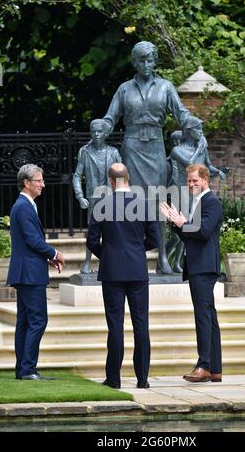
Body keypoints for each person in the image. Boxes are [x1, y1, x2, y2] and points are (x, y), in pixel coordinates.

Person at [102, 41, 207, 274]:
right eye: (142, 60)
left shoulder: (166, 87)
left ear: (155, 61)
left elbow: (181, 114)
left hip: (156, 148)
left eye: (150, 60)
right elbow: (111, 118)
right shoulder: (124, 89)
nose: (146, 64)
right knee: (131, 202)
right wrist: (100, 130)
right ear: (134, 62)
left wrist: (195, 124)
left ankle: (162, 258)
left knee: (159, 202)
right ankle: (133, 254)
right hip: (132, 146)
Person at [86, 163, 159, 389]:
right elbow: (155, 240)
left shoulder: (101, 205)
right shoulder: (144, 205)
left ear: (110, 180)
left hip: (112, 271)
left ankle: (114, 379)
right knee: (141, 324)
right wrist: (137, 250)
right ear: (129, 177)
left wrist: (108, 255)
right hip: (137, 270)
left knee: (115, 325)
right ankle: (142, 378)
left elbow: (91, 242)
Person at [160, 164, 223, 382]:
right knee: (209, 317)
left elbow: (204, 232)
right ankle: (215, 369)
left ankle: (204, 366)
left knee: (203, 317)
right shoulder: (199, 202)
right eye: (189, 181)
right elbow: (191, 236)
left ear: (205, 180)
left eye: (195, 181)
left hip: (204, 267)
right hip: (199, 265)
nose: (191, 184)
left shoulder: (211, 202)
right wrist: (177, 224)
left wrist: (182, 222)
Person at [7, 164, 65, 381]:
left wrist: (47, 258)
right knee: (38, 320)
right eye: (39, 180)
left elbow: (28, 242)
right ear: (26, 182)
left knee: (25, 321)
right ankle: (28, 369)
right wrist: (55, 253)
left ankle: (23, 368)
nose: (43, 184)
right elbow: (32, 240)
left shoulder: (24, 205)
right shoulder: (23, 206)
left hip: (27, 271)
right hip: (29, 274)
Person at [167, 119, 226, 272]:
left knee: (191, 226)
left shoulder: (202, 149)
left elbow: (207, 166)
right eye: (198, 129)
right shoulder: (177, 150)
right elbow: (189, 164)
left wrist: (217, 171)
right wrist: (199, 148)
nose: (201, 132)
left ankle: (177, 262)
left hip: (197, 194)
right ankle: (169, 259)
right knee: (181, 226)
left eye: (201, 129)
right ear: (189, 131)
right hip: (182, 190)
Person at [73, 119, 121, 273]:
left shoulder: (114, 152)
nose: (96, 134)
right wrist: (80, 197)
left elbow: (122, 176)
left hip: (112, 198)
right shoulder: (85, 152)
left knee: (112, 231)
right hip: (93, 198)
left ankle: (111, 261)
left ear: (105, 133)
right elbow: (76, 176)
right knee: (93, 232)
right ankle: (87, 261)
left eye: (99, 131)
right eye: (93, 131)